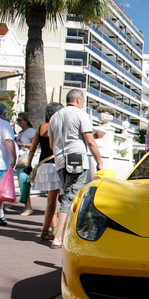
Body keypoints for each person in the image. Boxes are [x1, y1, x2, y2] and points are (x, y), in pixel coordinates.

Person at [48, 89, 103, 249]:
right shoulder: (80, 114)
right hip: (76, 160)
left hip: (59, 160)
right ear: (78, 100)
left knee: (68, 194)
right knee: (71, 197)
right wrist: (99, 161)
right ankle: (59, 237)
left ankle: (66, 233)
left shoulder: (54, 117)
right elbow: (90, 140)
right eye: (83, 100)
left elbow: (51, 145)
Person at [27, 102, 64, 241]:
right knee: (55, 200)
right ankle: (47, 230)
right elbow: (53, 146)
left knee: (52, 199)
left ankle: (52, 228)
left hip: (43, 166)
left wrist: (29, 164)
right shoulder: (57, 126)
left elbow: (33, 148)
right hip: (55, 165)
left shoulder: (40, 127)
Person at [15, 112, 36, 216]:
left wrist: (21, 144)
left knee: (24, 184)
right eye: (17, 120)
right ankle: (27, 207)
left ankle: (28, 207)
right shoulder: (21, 132)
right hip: (20, 160)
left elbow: (34, 145)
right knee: (21, 184)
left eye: (20, 120)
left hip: (26, 160)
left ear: (25, 120)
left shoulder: (30, 131)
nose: (18, 122)